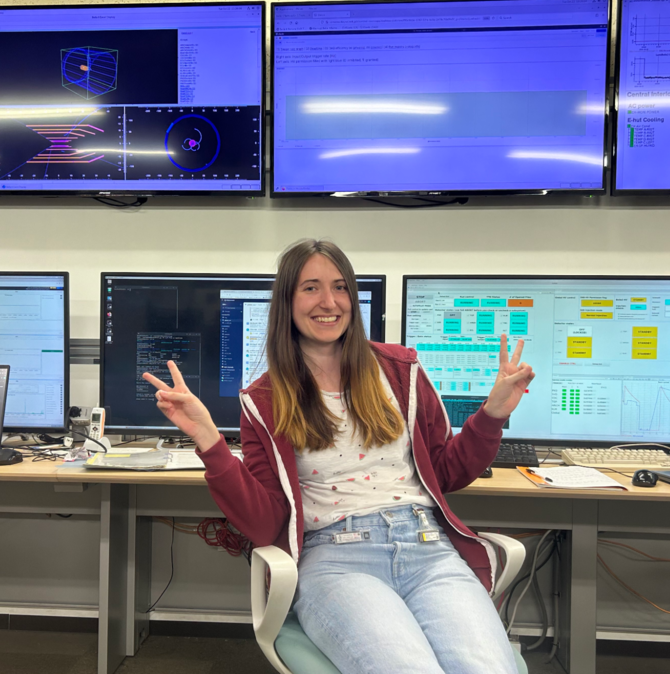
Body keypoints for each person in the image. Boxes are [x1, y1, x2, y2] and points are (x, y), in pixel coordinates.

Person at [143, 239, 535, 674]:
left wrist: (493, 412)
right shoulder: (265, 399)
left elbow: (446, 472)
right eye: (310, 288)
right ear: (287, 302)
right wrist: (210, 442)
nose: (328, 302)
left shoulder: (400, 371)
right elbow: (265, 522)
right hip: (337, 559)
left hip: (429, 550)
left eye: (340, 287)